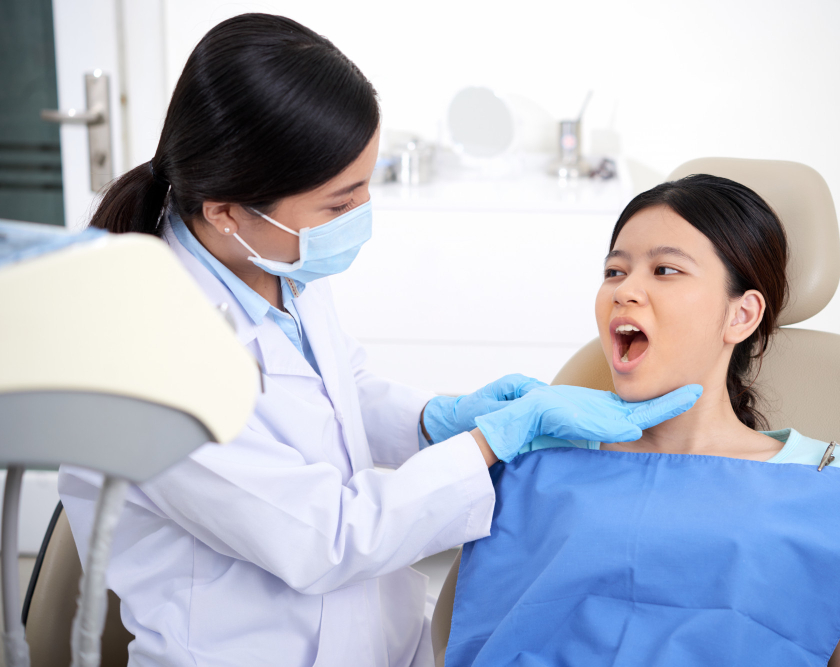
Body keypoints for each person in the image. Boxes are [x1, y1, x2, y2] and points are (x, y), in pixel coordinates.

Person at [56, 14, 700, 667]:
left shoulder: (274, 261)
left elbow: (336, 394)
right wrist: (487, 444)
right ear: (225, 211)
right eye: (338, 204)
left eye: (367, 182)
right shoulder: (144, 359)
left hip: (386, 636)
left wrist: (435, 419)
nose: (362, 213)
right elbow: (323, 535)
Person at [447, 175, 840, 666]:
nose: (626, 290)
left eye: (665, 270)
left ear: (741, 316)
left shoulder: (835, 488)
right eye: (614, 271)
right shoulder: (534, 455)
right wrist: (472, 440)